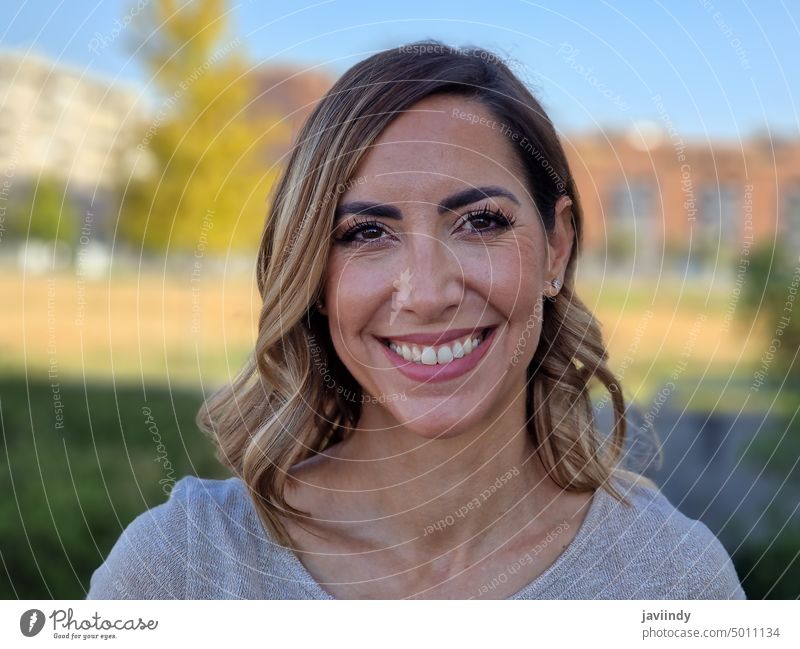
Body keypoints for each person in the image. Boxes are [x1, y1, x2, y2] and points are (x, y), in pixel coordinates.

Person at [87, 40, 745, 600]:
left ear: (557, 247)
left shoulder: (672, 579)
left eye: (481, 221)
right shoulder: (183, 568)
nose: (426, 294)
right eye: (367, 230)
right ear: (314, 273)